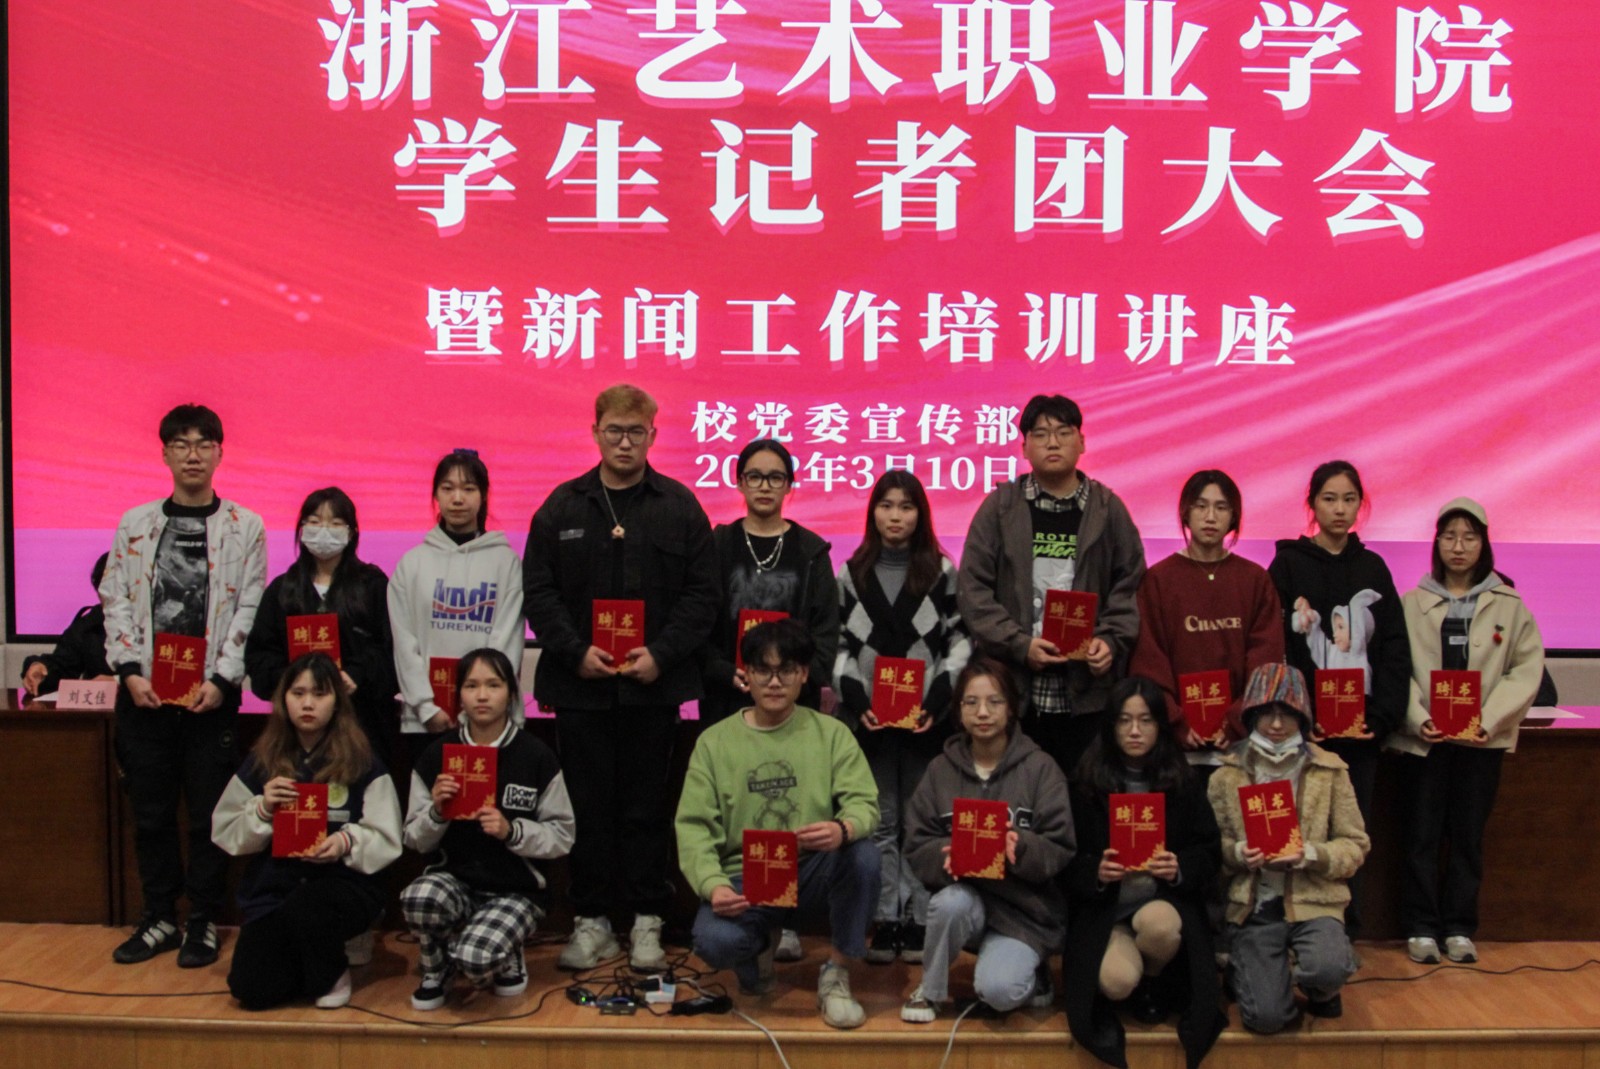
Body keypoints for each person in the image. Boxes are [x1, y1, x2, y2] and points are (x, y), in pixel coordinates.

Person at [523, 384, 719, 972]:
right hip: (580, 689)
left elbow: (702, 596)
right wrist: (573, 650)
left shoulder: (679, 506)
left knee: (646, 809)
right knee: (587, 809)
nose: (625, 443)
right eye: (615, 431)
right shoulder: (562, 507)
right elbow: (539, 592)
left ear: (653, 436)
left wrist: (662, 654)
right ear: (596, 433)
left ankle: (647, 919)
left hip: (651, 691)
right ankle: (592, 921)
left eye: (636, 432)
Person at [101, 404, 267, 968]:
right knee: (151, 815)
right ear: (165, 453)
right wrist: (129, 671)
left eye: (203, 444)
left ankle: (202, 920)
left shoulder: (245, 526)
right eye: (181, 444)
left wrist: (222, 679)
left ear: (219, 453)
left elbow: (249, 606)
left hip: (210, 700)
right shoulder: (136, 524)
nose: (192, 454)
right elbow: (115, 599)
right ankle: (158, 918)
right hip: (145, 697)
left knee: (207, 816)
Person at [676, 619, 880, 1029]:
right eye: (763, 670)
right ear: (746, 674)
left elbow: (865, 804)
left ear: (803, 674)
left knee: (864, 856)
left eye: (786, 670)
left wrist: (842, 829)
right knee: (714, 941)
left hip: (811, 868)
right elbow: (694, 828)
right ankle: (757, 952)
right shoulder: (713, 743)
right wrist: (713, 885)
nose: (774, 682)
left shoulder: (832, 734)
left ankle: (837, 973)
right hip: (744, 877)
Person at [958, 393, 1146, 778]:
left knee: (1085, 795)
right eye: (1041, 434)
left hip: (1087, 695)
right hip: (1014, 691)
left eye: (1063, 432)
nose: (1053, 442)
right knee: (1016, 796)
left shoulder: (1108, 510)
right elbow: (973, 589)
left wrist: (1110, 640)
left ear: (1082, 442)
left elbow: (1130, 585)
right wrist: (1019, 644)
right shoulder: (1001, 508)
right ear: (1024, 447)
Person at [1390, 498, 1545, 965]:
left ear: (1484, 543)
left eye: (1469, 537)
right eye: (1449, 536)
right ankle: (1420, 927)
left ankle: (1459, 927)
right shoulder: (1411, 603)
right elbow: (1397, 668)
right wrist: (1419, 717)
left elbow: (1525, 670)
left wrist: (1489, 718)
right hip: (1426, 741)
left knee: (1467, 836)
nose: (1459, 547)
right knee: (1421, 835)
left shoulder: (1509, 605)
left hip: (1480, 743)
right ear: (1437, 543)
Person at [212, 652, 402, 1010]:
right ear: (283, 699)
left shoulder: (363, 760)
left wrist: (345, 841)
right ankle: (309, 960)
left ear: (337, 702)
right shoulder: (263, 760)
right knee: (250, 989)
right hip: (277, 886)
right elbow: (225, 830)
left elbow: (387, 837)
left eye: (320, 693)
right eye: (298, 693)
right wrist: (263, 809)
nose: (308, 703)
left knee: (309, 906)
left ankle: (332, 971)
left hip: (342, 885)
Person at [1267, 460, 1408, 941]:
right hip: (1301, 735)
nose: (1340, 509)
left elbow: (1394, 648)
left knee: (1350, 833)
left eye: (1349, 499)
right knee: (1296, 828)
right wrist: (1300, 719)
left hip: (1360, 735)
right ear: (1312, 504)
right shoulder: (1288, 566)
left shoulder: (1373, 568)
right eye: (1329, 499)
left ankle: (1346, 933)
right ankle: (1290, 929)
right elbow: (1277, 650)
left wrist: (1381, 718)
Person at [835, 470, 970, 965]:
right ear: (873, 512)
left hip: (924, 722)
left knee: (919, 819)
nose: (896, 516)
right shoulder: (852, 573)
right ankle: (883, 915)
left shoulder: (942, 572)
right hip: (869, 720)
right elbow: (839, 645)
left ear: (921, 514)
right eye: (887, 505)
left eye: (906, 507)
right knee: (879, 818)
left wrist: (936, 701)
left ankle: (917, 917)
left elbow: (959, 642)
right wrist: (858, 701)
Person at [900, 658, 1074, 1023]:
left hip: (1024, 914)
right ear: (958, 711)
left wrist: (1021, 846)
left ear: (1011, 708)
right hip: (967, 902)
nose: (982, 712)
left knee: (998, 992)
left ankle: (1033, 968)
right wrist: (944, 857)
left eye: (994, 702)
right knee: (949, 903)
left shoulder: (1040, 768)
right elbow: (916, 843)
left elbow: (1060, 846)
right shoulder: (940, 770)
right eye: (971, 702)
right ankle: (930, 991)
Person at [1064, 677, 1226, 1068]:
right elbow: (1064, 859)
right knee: (1116, 982)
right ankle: (1136, 978)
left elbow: (1210, 850)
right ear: (1110, 725)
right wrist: (1096, 871)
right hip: (1106, 913)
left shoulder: (1183, 780)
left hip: (1160, 903)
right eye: (1124, 720)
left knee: (1161, 927)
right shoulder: (1085, 783)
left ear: (1160, 726)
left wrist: (1179, 867)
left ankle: (1152, 979)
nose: (1134, 731)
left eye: (1145, 720)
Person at [401, 648, 575, 1010]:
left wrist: (513, 831)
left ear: (511, 693)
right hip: (455, 882)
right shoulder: (436, 755)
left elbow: (563, 836)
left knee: (477, 960)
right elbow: (413, 839)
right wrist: (437, 812)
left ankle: (501, 950)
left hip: (517, 889)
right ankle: (437, 967)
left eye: (493, 685)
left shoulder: (536, 755)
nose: (482, 696)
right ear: (458, 695)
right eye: (471, 686)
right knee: (418, 898)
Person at [1209, 663, 1369, 1034]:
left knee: (1326, 968)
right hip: (1255, 907)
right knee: (1265, 1019)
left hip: (1314, 902)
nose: (1277, 725)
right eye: (1267, 713)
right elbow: (1210, 847)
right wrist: (1238, 853)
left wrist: (1310, 855)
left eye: (1288, 714)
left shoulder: (1330, 770)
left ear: (1303, 717)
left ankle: (1321, 988)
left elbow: (1356, 845)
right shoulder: (1226, 774)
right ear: (1252, 715)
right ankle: (1249, 970)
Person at [1129, 471, 1284, 781]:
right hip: (1175, 752)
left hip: (1241, 749)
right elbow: (1149, 658)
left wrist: (1237, 720)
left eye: (1221, 507)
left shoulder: (1254, 579)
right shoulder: (1158, 580)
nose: (1210, 516)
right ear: (1185, 512)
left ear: (1234, 517)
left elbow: (1266, 660)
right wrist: (1175, 721)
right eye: (1201, 506)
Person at [247, 488, 398, 771]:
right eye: (315, 522)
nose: (324, 531)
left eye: (335, 523)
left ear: (351, 533)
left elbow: (392, 652)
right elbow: (259, 658)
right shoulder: (282, 590)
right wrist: (294, 683)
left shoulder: (373, 586)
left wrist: (356, 675)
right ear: (302, 529)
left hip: (362, 724)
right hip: (295, 732)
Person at [389, 450, 524, 761]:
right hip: (425, 722)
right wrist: (425, 706)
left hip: (490, 722)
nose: (458, 499)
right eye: (448, 488)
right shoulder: (411, 564)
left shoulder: (506, 563)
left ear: (484, 495)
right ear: (436, 495)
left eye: (469, 488)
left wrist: (479, 704)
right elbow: (404, 644)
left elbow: (507, 639)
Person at [700, 438, 839, 726]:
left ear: (788, 485)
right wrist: (723, 671)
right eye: (755, 477)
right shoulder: (717, 545)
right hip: (725, 701)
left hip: (795, 707)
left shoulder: (811, 552)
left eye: (775, 478)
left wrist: (793, 679)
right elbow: (697, 619)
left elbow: (825, 632)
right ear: (740, 483)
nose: (765, 486)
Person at [21, 553, 112, 697]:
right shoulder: (91, 624)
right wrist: (40, 670)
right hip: (100, 709)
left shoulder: (151, 624)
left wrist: (120, 682)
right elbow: (63, 666)